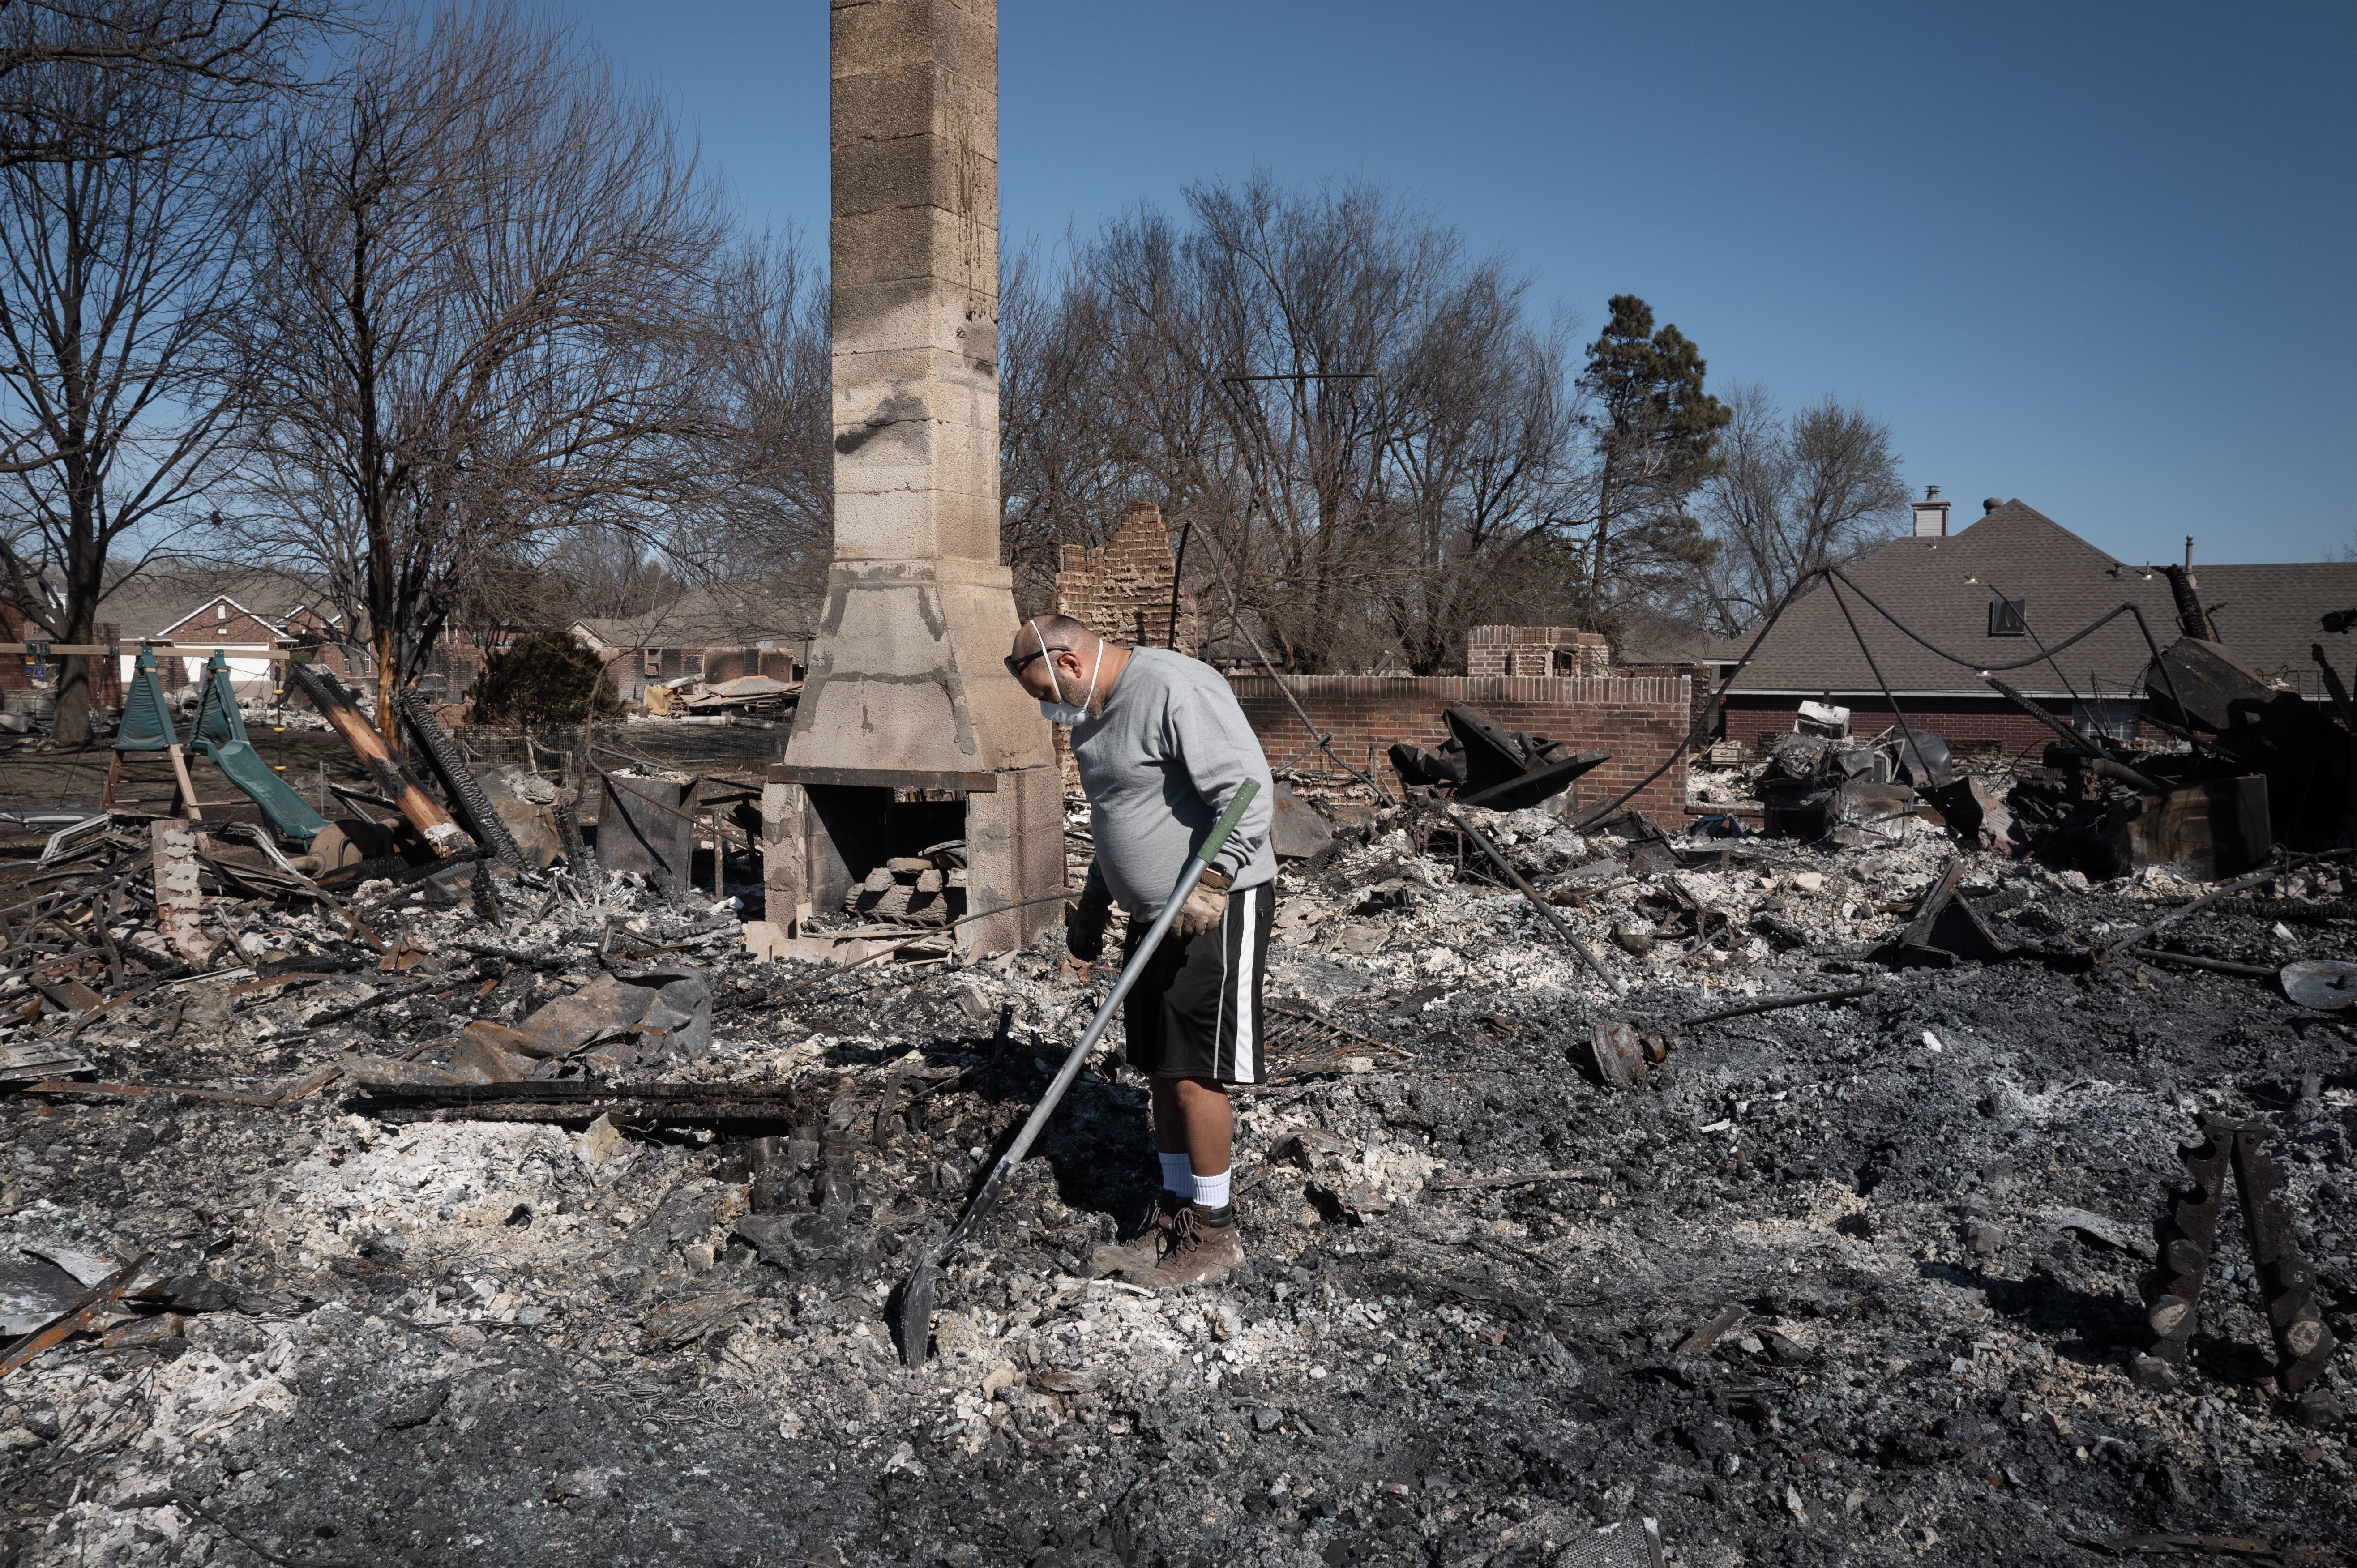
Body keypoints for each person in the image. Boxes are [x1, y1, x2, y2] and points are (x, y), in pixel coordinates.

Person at [1004, 613, 1275, 1288]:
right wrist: (1096, 902)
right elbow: (1120, 818)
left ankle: (1213, 1233)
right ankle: (1174, 1213)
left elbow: (1246, 789)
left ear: (1068, 662)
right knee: (1156, 1065)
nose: (1050, 708)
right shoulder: (1095, 713)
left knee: (1192, 1071)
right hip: (1152, 914)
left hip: (1215, 905)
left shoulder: (1171, 686)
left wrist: (1215, 878)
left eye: (1047, 693)